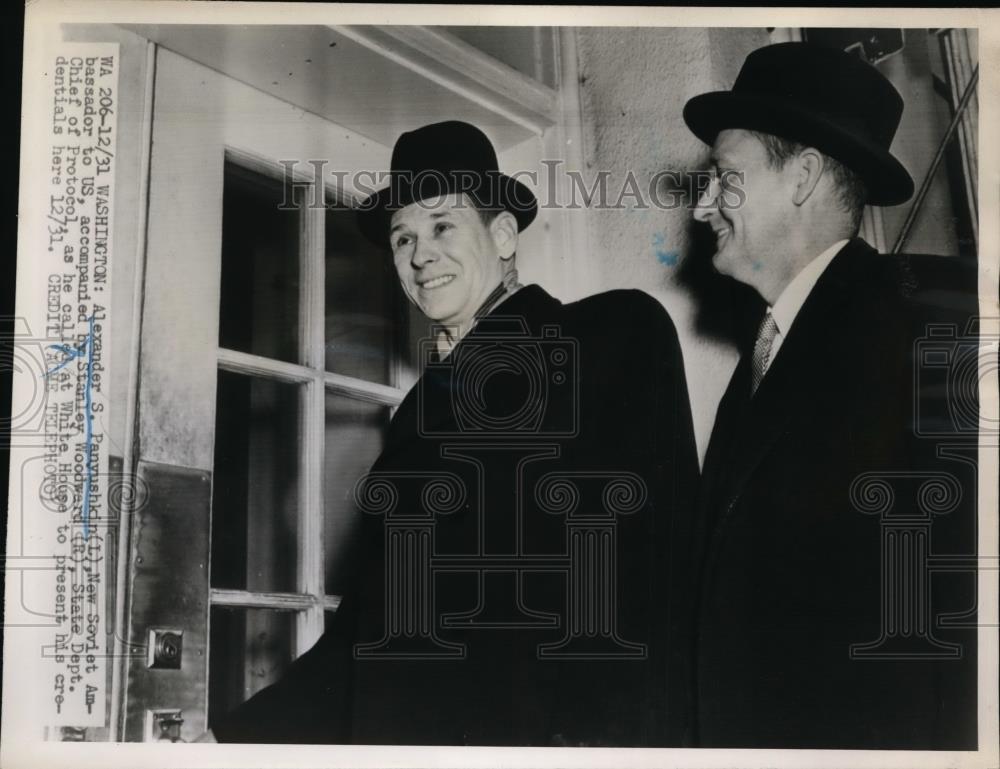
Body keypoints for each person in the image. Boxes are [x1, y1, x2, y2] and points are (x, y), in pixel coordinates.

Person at [207, 120, 700, 745]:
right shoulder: (417, 415)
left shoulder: (606, 336)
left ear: (500, 234)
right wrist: (227, 741)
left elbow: (656, 579)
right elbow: (369, 639)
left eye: (442, 226)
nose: (419, 255)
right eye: (402, 238)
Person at [681, 42, 978, 749]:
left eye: (725, 177)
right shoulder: (765, 354)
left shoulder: (927, 328)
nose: (700, 208)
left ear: (804, 177)